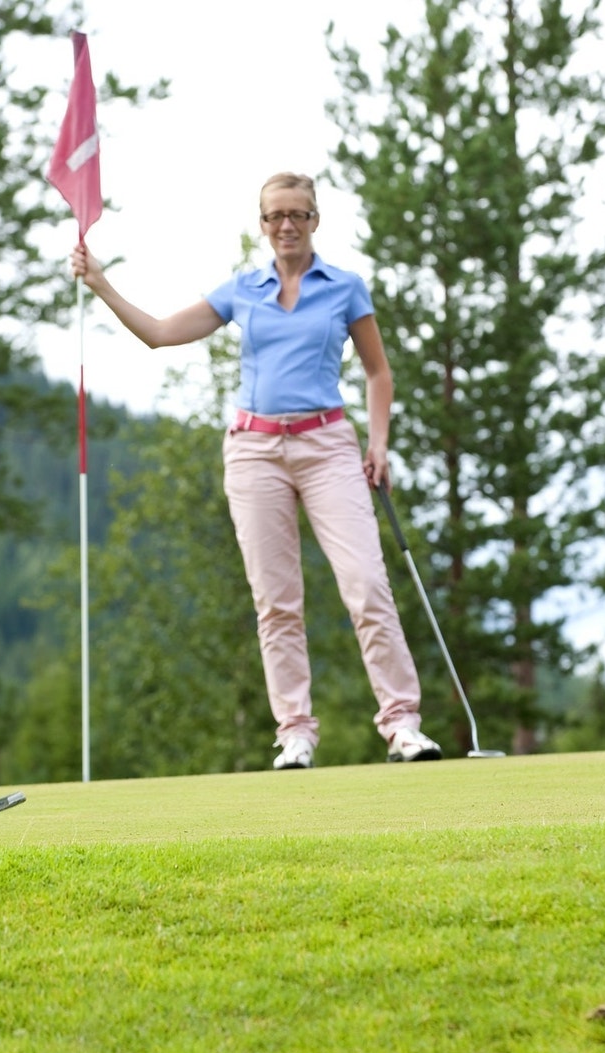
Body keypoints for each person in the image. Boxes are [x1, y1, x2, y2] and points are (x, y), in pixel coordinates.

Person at [71, 171, 442, 770]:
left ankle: (402, 725)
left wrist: (380, 444)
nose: (287, 225)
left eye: (298, 214)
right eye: (275, 216)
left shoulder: (345, 288)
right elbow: (162, 335)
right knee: (276, 602)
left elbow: (379, 372)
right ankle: (294, 731)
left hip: (328, 446)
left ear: (315, 220)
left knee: (367, 585)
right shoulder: (243, 289)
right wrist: (101, 283)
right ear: (262, 224)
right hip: (254, 452)